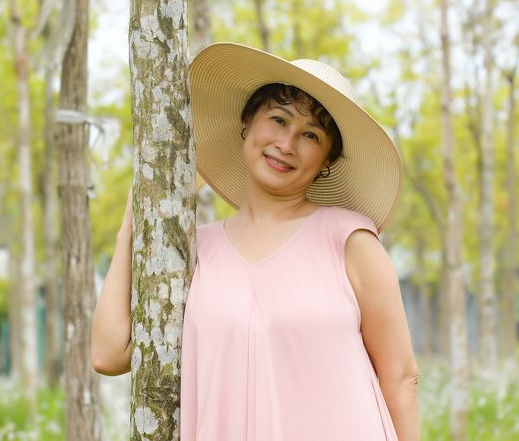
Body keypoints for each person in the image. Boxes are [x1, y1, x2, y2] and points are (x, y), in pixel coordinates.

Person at [91, 42, 419, 440]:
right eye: (279, 119)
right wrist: (134, 223)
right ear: (247, 121)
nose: (287, 143)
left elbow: (400, 378)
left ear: (327, 160)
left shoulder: (350, 241)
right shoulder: (198, 252)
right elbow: (109, 354)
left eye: (311, 134)